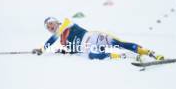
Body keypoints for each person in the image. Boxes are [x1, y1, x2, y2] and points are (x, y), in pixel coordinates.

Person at [32, 17, 164, 61]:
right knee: (96, 56)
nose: (51, 27)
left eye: (51, 24)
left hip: (92, 36)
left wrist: (43, 49)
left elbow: (51, 40)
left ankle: (150, 53)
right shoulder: (61, 40)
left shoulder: (66, 22)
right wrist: (64, 51)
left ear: (56, 22)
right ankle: (129, 56)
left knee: (119, 43)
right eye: (48, 27)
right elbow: (73, 50)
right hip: (87, 48)